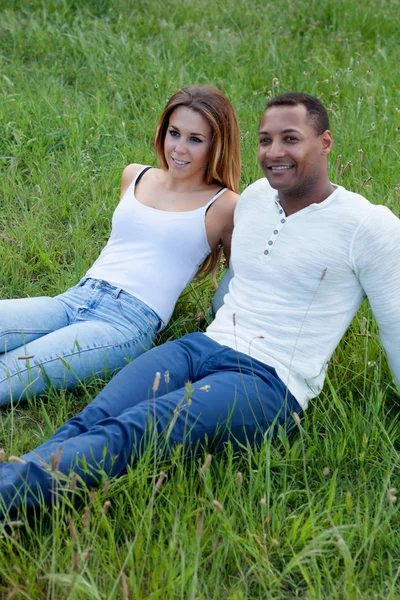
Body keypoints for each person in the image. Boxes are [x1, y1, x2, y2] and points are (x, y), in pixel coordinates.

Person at [2, 92, 400, 515]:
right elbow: (235, 281)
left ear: (324, 142)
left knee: (134, 431)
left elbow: (396, 324)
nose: (274, 152)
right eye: (265, 140)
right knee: (94, 417)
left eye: (290, 139)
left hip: (267, 381)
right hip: (201, 347)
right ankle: (20, 484)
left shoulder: (368, 225)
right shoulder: (253, 201)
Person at [0, 85, 240, 406]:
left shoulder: (226, 205)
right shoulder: (135, 175)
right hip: (74, 299)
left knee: (11, 372)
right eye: (174, 133)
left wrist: (215, 319)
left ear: (217, 145)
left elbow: (240, 278)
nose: (179, 148)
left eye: (195, 139)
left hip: (124, 324)